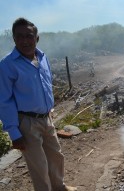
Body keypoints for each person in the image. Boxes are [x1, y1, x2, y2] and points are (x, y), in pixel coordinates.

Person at [0, 18, 77, 191]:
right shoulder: (7, 65)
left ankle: (59, 187)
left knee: (56, 156)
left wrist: (49, 109)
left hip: (46, 117)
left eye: (29, 36)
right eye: (20, 36)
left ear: (37, 38)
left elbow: (46, 85)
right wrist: (13, 132)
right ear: (14, 39)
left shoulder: (42, 57)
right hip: (26, 122)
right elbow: (4, 100)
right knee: (38, 166)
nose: (25, 41)